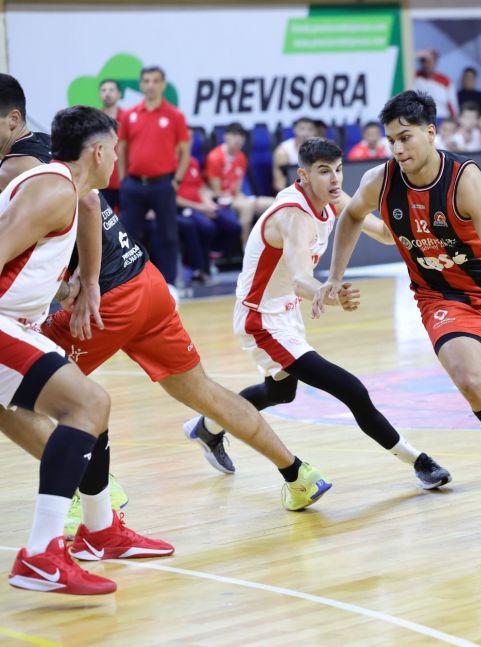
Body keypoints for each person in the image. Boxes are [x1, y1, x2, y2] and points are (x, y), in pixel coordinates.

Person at [0, 76, 330, 531]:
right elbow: (87, 203)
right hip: (145, 280)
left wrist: (89, 281)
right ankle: (298, 473)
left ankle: (91, 491)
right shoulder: (45, 147)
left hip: (107, 301)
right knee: (202, 391)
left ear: (13, 119)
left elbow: (83, 207)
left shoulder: (17, 168)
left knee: (15, 398)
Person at [323, 91, 481, 515]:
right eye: (391, 140)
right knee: (471, 381)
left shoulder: (466, 182)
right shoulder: (379, 181)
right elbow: (351, 216)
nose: (398, 148)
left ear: (430, 132)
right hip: (441, 296)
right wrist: (334, 277)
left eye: (405, 137)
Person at [186, 137, 451, 491]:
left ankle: (207, 427)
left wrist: (415, 215)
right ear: (304, 175)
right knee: (351, 389)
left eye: (338, 170)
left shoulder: (333, 198)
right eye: (324, 171)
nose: (335, 179)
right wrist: (329, 293)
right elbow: (300, 279)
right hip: (260, 320)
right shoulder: (293, 217)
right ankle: (418, 461)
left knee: (280, 393)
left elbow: (386, 234)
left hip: (285, 313)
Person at [1, 105, 173, 595]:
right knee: (89, 403)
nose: (118, 159)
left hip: (19, 321)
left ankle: (100, 531)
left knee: (91, 407)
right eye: (115, 150)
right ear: (98, 152)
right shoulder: (54, 188)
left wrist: (85, 281)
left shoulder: (71, 189)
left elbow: (90, 208)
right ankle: (41, 553)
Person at [117, 66, 190, 287]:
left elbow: (185, 151)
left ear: (163, 84)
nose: (151, 85)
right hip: (134, 184)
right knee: (126, 236)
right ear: (141, 84)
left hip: (163, 184)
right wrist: (123, 180)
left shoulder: (175, 115)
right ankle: (127, 283)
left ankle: (169, 285)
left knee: (168, 236)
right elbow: (122, 148)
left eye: (155, 81)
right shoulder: (130, 115)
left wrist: (176, 181)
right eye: (146, 81)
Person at [205, 122, 274, 241]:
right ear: (225, 136)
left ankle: (271, 244)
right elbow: (217, 191)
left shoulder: (241, 157)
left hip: (235, 197)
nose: (238, 139)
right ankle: (245, 248)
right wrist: (245, 201)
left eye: (241, 136)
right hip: (218, 199)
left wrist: (246, 199)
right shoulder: (214, 157)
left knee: (274, 203)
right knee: (247, 208)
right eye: (234, 135)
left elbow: (237, 189)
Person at [177, 157, 241, 284]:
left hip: (202, 205)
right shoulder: (169, 164)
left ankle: (212, 255)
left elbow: (201, 187)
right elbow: (171, 197)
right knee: (207, 227)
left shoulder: (192, 162)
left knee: (233, 226)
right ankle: (200, 269)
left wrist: (208, 203)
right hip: (184, 208)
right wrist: (200, 208)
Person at [98, 79, 123, 210]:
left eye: (111, 90)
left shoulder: (128, 117)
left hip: (124, 181)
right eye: (104, 90)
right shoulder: (94, 119)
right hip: (101, 180)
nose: (107, 93)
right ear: (99, 94)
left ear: (119, 94)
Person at [273, 117, 317, 192]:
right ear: (294, 130)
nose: (306, 133)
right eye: (302, 129)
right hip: (291, 193)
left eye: (310, 129)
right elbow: (279, 184)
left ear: (315, 131)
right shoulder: (283, 151)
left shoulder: (320, 149)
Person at [414, 48, 458, 119]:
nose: (427, 65)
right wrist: (417, 55)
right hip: (421, 119)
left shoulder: (445, 81)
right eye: (424, 61)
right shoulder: (413, 77)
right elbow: (402, 63)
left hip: (442, 118)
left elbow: (452, 105)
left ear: (435, 62)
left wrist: (454, 120)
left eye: (430, 61)